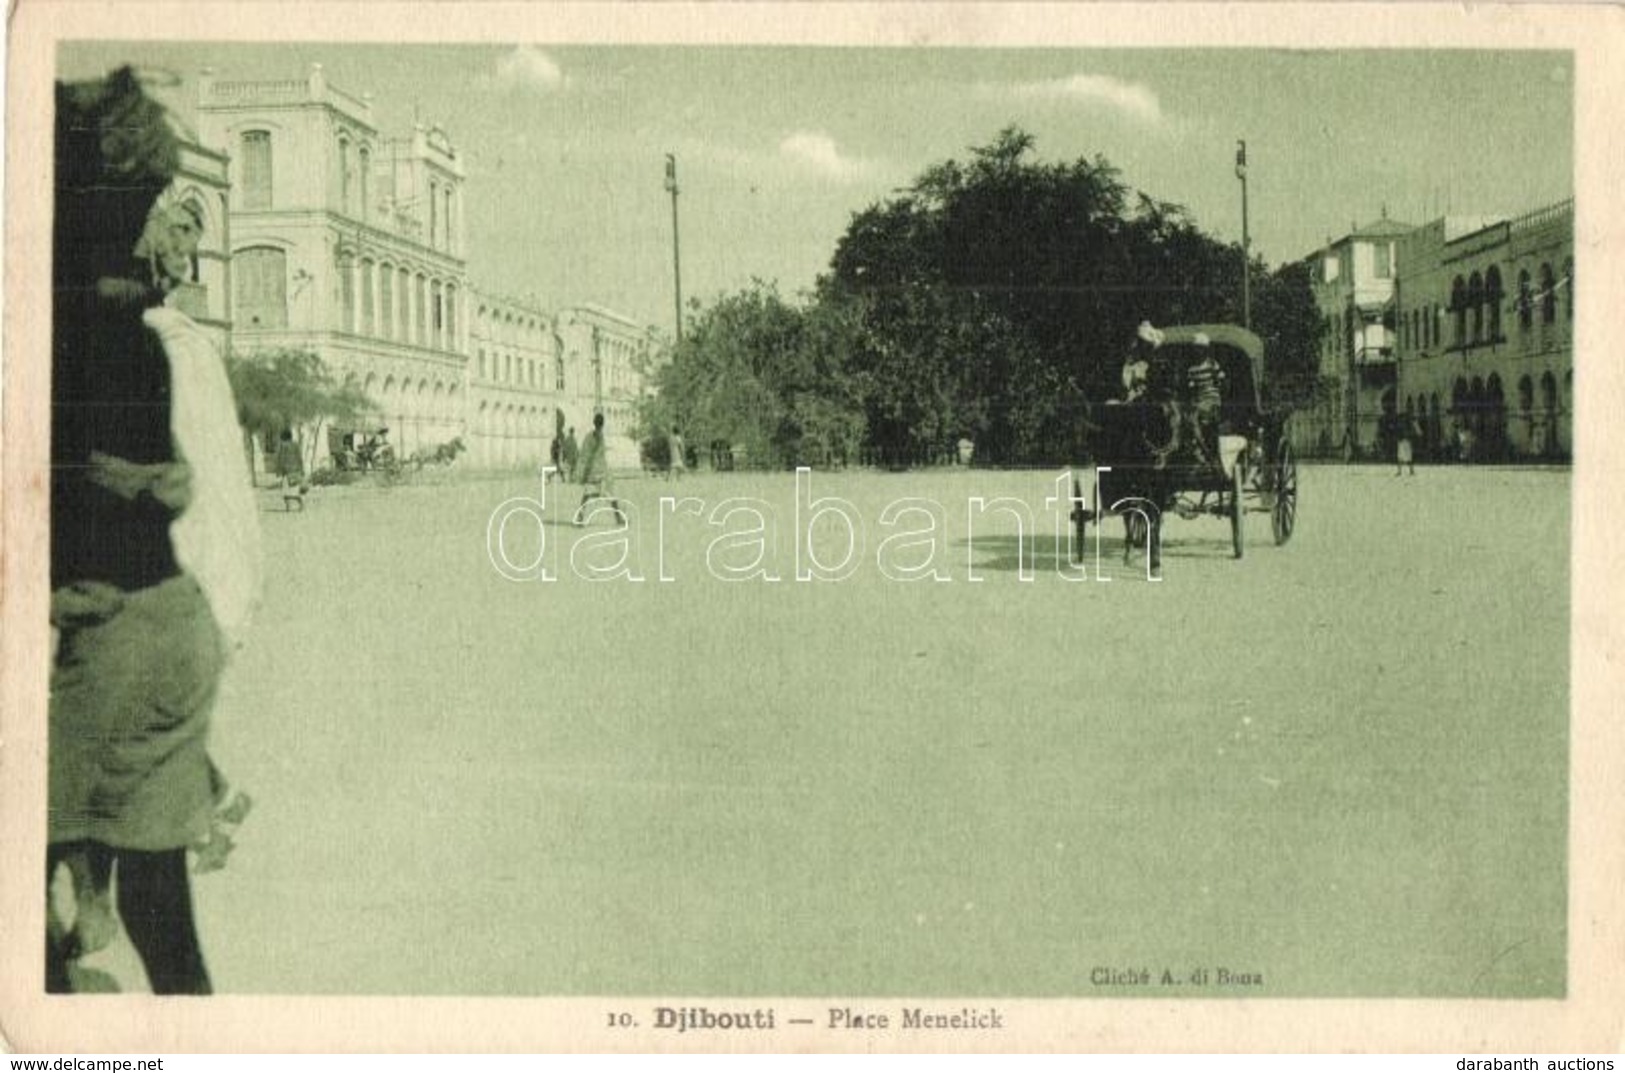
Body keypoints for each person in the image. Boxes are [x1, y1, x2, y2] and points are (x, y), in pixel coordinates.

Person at [48, 67, 261, 994]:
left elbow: (205, 499)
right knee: (158, 910)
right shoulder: (136, 330)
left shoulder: (134, 335)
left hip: (127, 633)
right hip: (163, 628)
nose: (182, 244)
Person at [571, 413, 626, 526]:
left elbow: (584, 454)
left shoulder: (589, 436)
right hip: (601, 470)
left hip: (592, 471)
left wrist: (582, 470)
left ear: (594, 423)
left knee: (587, 495)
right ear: (603, 424)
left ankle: (580, 517)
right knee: (610, 494)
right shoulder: (601, 436)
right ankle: (619, 518)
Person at [1184, 332, 1226, 466]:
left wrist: (1219, 383)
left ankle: (1204, 450)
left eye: (1201, 348)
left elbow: (1222, 382)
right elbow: (1191, 388)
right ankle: (1194, 447)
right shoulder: (1192, 369)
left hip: (1212, 399)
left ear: (1206, 350)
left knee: (1195, 415)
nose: (1199, 351)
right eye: (1196, 348)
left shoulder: (1212, 365)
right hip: (1199, 400)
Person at [275, 429, 307, 509]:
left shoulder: (283, 445)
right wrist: (302, 470)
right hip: (296, 471)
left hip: (287, 471)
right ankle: (300, 503)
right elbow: (299, 458)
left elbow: (281, 459)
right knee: (295, 490)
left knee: (285, 491)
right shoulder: (296, 445)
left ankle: (288, 506)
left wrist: (278, 471)